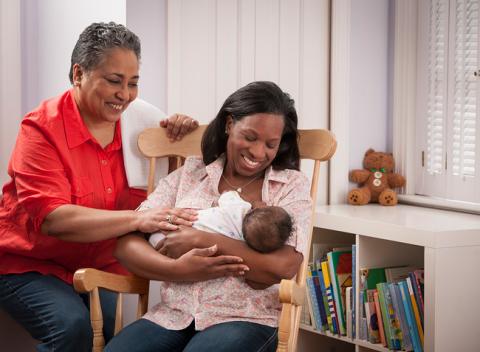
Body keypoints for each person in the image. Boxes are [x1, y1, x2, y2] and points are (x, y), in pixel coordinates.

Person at [0, 22, 247, 352]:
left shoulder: (142, 126)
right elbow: (53, 219)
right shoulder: (41, 129)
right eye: (114, 81)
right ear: (78, 74)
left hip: (99, 265)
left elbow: (192, 177)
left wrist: (181, 132)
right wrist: (137, 220)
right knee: (72, 328)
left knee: (113, 343)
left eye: (133, 83)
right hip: (28, 263)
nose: (125, 95)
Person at [105, 81, 313, 352]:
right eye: (250, 137)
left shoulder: (289, 186)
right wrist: (176, 270)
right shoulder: (191, 174)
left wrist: (201, 240)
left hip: (245, 318)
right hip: (172, 315)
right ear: (229, 124)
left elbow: (282, 266)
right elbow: (126, 244)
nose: (258, 153)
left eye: (270, 144)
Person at [150, 190, 294, 254]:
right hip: (184, 244)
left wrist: (250, 200)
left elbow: (227, 194)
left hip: (182, 222)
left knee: (157, 232)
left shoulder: (240, 207)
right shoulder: (241, 240)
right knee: (159, 242)